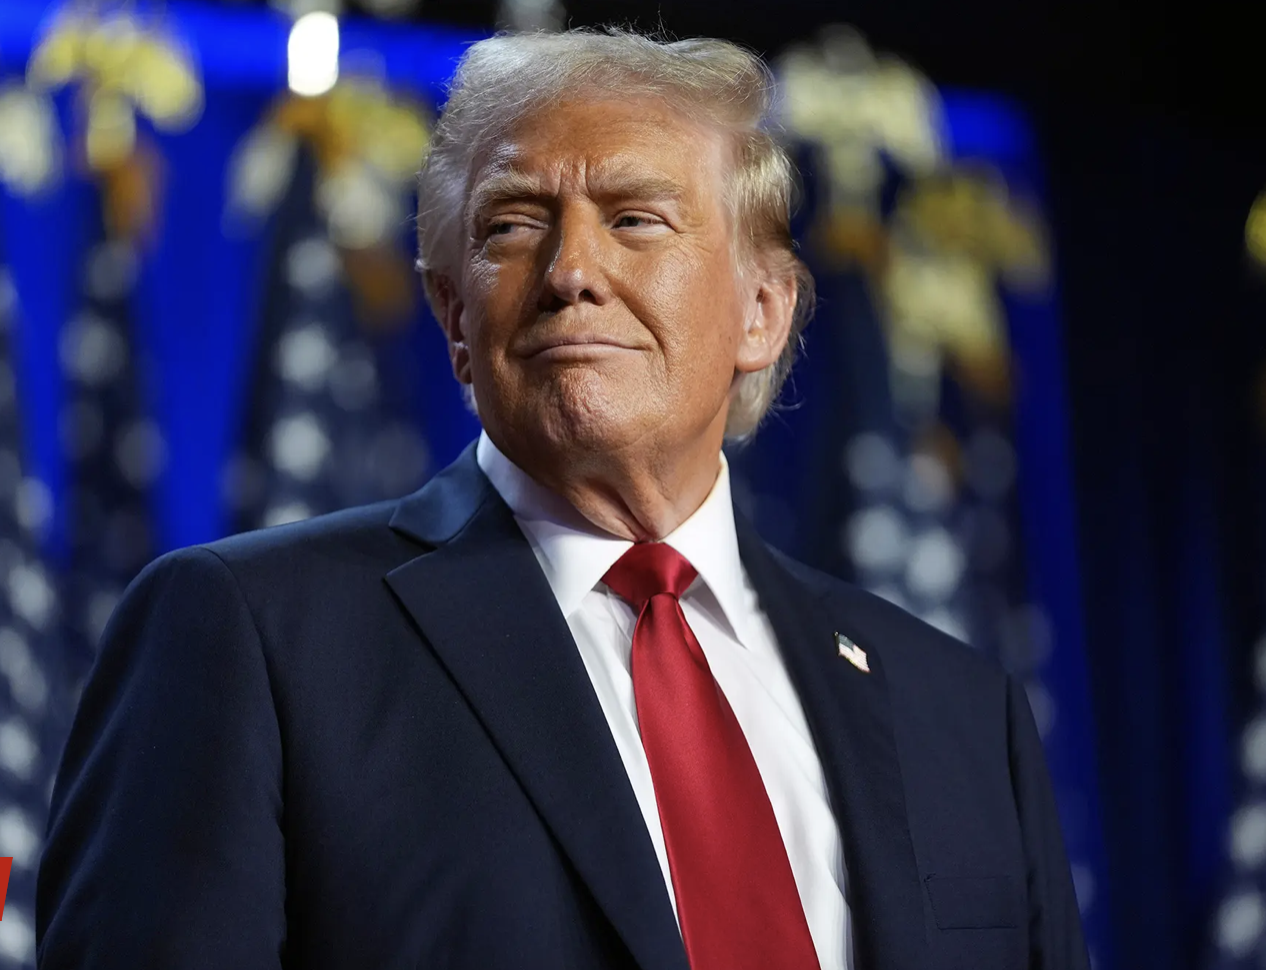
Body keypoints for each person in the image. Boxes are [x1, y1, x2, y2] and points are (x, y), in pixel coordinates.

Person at [35, 27, 1089, 970]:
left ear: (762, 311)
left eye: (636, 218)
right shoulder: (250, 638)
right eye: (511, 225)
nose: (572, 268)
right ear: (454, 317)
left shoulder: (956, 709)